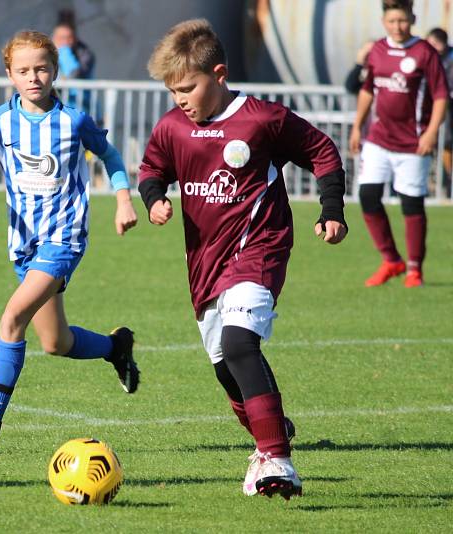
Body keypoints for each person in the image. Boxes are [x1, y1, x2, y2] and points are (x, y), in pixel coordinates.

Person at [138, 19, 347, 500]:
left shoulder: (261, 119)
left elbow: (321, 150)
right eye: (173, 91)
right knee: (223, 364)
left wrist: (331, 208)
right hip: (204, 263)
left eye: (188, 87)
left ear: (220, 73)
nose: (180, 99)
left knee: (238, 344)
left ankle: (278, 460)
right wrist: (154, 200)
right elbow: (152, 169)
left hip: (260, 248)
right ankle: (267, 434)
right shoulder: (173, 127)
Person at [0, 30, 140, 455]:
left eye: (41, 68)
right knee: (57, 343)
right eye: (23, 70)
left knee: (12, 318)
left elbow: (109, 156)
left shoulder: (73, 120)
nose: (33, 77)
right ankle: (116, 347)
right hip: (25, 244)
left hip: (64, 239)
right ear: (9, 74)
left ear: (55, 70)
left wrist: (124, 199)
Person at [349, 0, 448, 288]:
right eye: (392, 21)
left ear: (412, 18)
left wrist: (430, 132)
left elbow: (441, 95)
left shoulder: (424, 52)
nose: (398, 26)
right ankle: (391, 260)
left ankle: (415, 268)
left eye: (403, 21)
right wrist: (357, 126)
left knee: (411, 204)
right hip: (379, 140)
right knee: (367, 195)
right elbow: (368, 91)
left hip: (413, 143)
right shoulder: (378, 50)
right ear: (384, 22)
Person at [426, 27, 453, 195]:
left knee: (447, 145)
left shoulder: (448, 61)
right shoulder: (434, 59)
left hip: (448, 114)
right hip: (439, 114)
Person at [51, 14, 95, 108]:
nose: (66, 42)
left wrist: (64, 52)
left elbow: (74, 73)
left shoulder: (84, 54)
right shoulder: (46, 55)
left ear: (75, 39)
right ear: (53, 39)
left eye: (69, 38)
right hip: (54, 108)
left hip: (81, 107)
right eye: (62, 38)